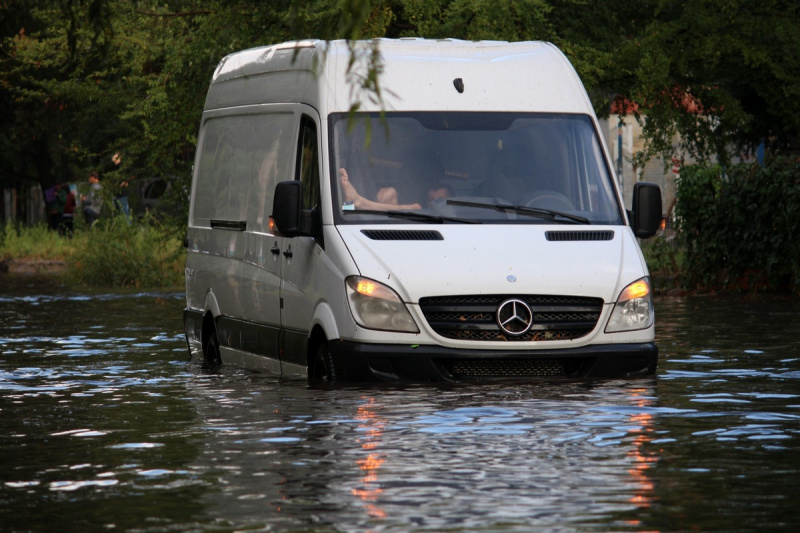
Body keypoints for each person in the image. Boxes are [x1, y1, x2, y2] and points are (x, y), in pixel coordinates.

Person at [339, 168, 421, 210]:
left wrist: (359, 201)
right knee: (388, 193)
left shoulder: (430, 212)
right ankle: (354, 204)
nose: (431, 192)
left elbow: (417, 209)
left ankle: (357, 203)